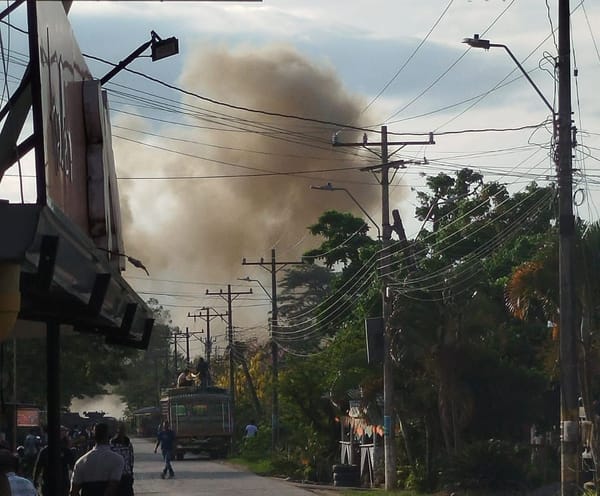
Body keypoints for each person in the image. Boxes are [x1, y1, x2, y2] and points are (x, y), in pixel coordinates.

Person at [69, 422, 124, 496]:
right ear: (109, 436)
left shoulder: (81, 461)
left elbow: (73, 491)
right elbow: (112, 487)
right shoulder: (117, 460)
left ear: (93, 436)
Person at [33, 427, 75, 496]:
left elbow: (38, 467)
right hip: (55, 483)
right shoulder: (46, 451)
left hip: (54, 483)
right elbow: (38, 466)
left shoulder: (46, 451)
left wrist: (35, 480)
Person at [109, 423, 134, 496]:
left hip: (126, 474)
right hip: (116, 475)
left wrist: (131, 472)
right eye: (120, 431)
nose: (121, 433)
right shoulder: (112, 443)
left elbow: (131, 459)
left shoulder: (128, 443)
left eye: (123, 431)